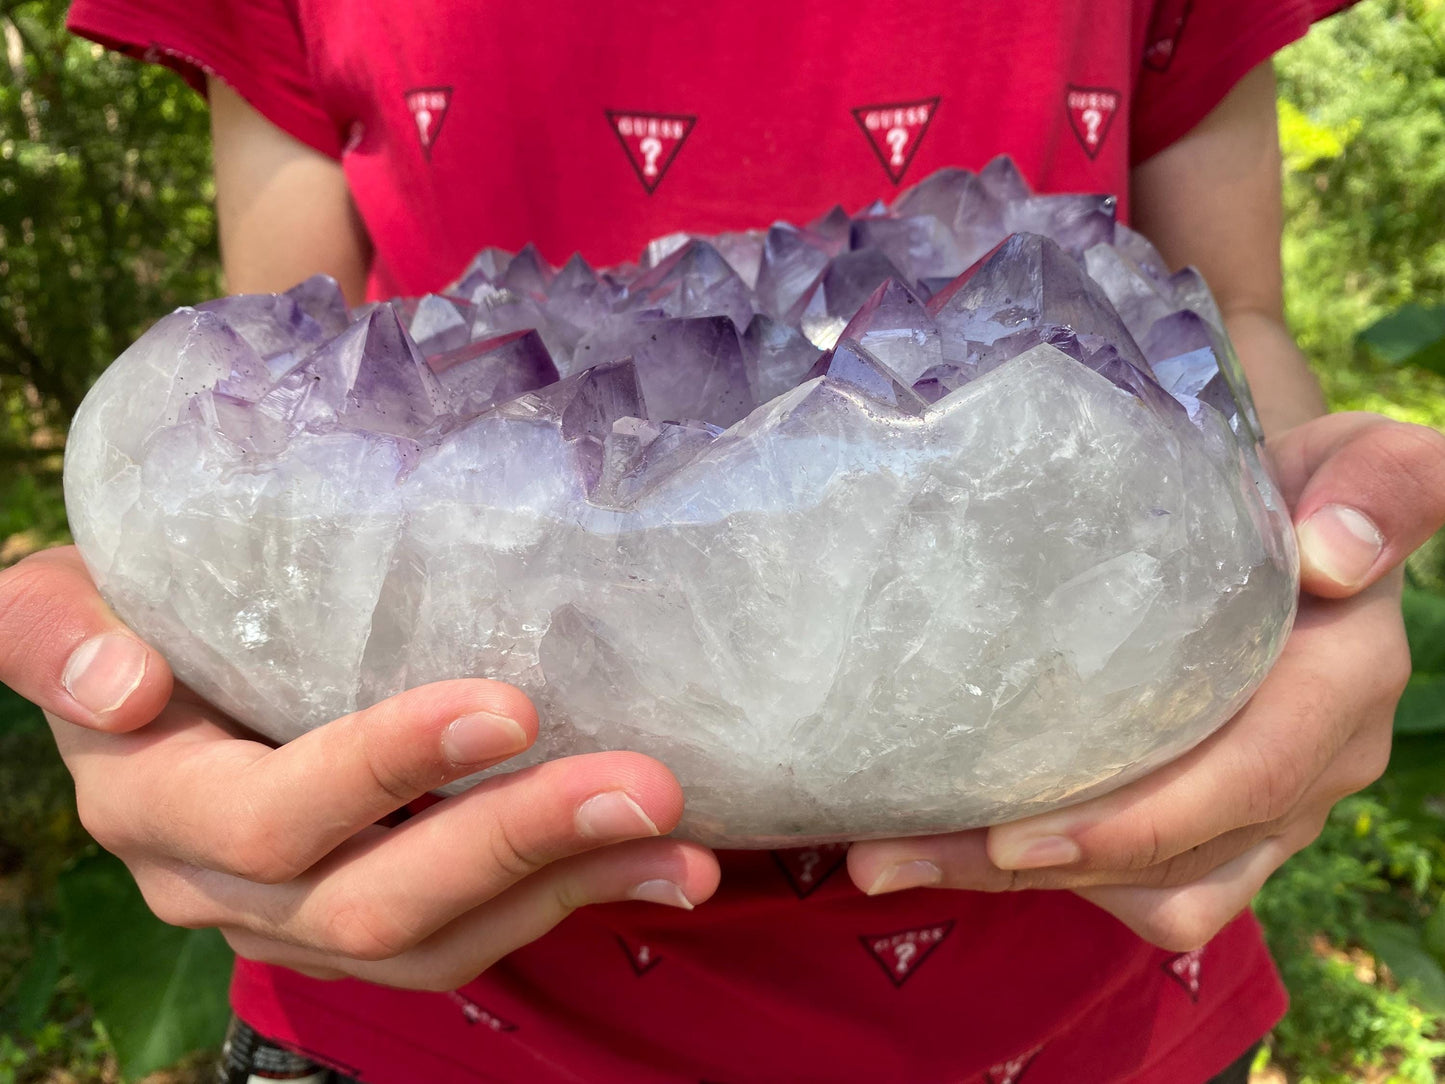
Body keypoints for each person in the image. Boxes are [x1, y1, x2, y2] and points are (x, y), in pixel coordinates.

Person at [5, 0, 1445, 1079]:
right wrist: (188, 691)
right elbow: (284, 435)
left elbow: (1225, 316)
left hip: (1090, 1003)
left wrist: (1285, 576)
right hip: (419, 1012)